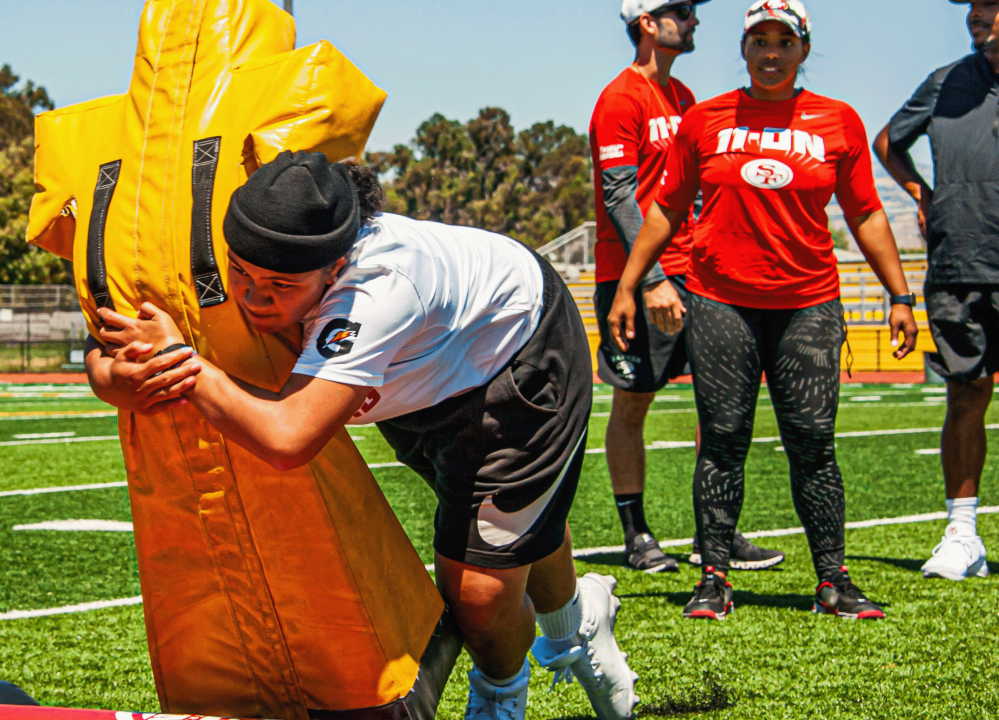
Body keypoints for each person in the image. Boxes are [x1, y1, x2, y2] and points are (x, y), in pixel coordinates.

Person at [89, 151, 639, 720]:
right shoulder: (247, 246)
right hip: (421, 375)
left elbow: (289, 439)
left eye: (280, 283)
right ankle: (580, 618)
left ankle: (500, 693)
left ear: (336, 266)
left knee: (477, 598)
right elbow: (105, 326)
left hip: (512, 358)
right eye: (240, 272)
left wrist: (182, 364)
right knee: (507, 529)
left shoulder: (376, 288)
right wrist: (113, 378)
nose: (253, 297)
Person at [608, 0, 919, 621]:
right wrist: (631, 283)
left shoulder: (839, 121)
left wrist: (901, 294)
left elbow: (866, 213)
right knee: (722, 441)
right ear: (744, 49)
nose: (771, 52)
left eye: (784, 41)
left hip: (808, 304)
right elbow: (667, 207)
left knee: (814, 444)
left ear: (804, 49)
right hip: (721, 302)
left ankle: (834, 579)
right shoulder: (706, 118)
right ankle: (715, 578)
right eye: (759, 41)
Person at [592, 0, 785, 573]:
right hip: (636, 277)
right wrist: (650, 279)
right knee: (633, 404)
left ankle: (714, 535)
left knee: (718, 407)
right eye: (680, 11)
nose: (694, 19)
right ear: (647, 23)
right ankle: (637, 535)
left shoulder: (685, 100)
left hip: (698, 275)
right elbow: (620, 195)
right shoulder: (620, 98)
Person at [873, 0, 998, 582]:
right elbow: (887, 142)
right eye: (974, 5)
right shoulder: (945, 82)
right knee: (966, 394)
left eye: (991, 4)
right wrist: (923, 194)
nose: (979, 14)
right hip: (961, 258)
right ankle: (962, 533)